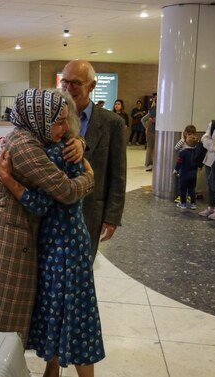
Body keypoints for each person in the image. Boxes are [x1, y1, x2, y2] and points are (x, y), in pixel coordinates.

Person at [0, 89, 92, 346]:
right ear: (40, 118)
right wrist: (89, 179)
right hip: (8, 239)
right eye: (59, 121)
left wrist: (80, 143)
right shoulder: (26, 146)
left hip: (10, 233)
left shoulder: (32, 134)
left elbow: (65, 140)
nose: (65, 128)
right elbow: (66, 191)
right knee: (1, 315)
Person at [0, 92, 103, 377]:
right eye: (58, 122)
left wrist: (8, 180)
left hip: (59, 246)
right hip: (68, 242)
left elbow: (45, 202)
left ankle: (53, 371)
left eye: (65, 122)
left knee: (66, 313)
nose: (64, 128)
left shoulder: (53, 150)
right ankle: (51, 371)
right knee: (70, 312)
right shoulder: (52, 146)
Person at [60, 59, 127, 258]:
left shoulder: (112, 123)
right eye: (65, 82)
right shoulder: (54, 119)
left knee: (83, 268)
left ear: (92, 86)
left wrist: (112, 217)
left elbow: (118, 174)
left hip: (90, 212)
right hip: (55, 212)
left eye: (76, 83)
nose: (68, 88)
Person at [173, 135, 199, 210]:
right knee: (192, 189)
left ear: (186, 143)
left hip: (184, 174)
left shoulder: (183, 152)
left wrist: (175, 170)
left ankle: (183, 203)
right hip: (193, 175)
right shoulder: (196, 152)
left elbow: (179, 163)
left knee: (183, 189)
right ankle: (193, 204)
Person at [142, 106, 156, 171]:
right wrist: (147, 127)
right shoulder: (154, 109)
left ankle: (149, 163)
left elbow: (143, 119)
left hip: (150, 131)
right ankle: (149, 163)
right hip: (152, 131)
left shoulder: (152, 108)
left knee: (150, 147)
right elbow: (144, 119)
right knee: (150, 147)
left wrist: (146, 127)